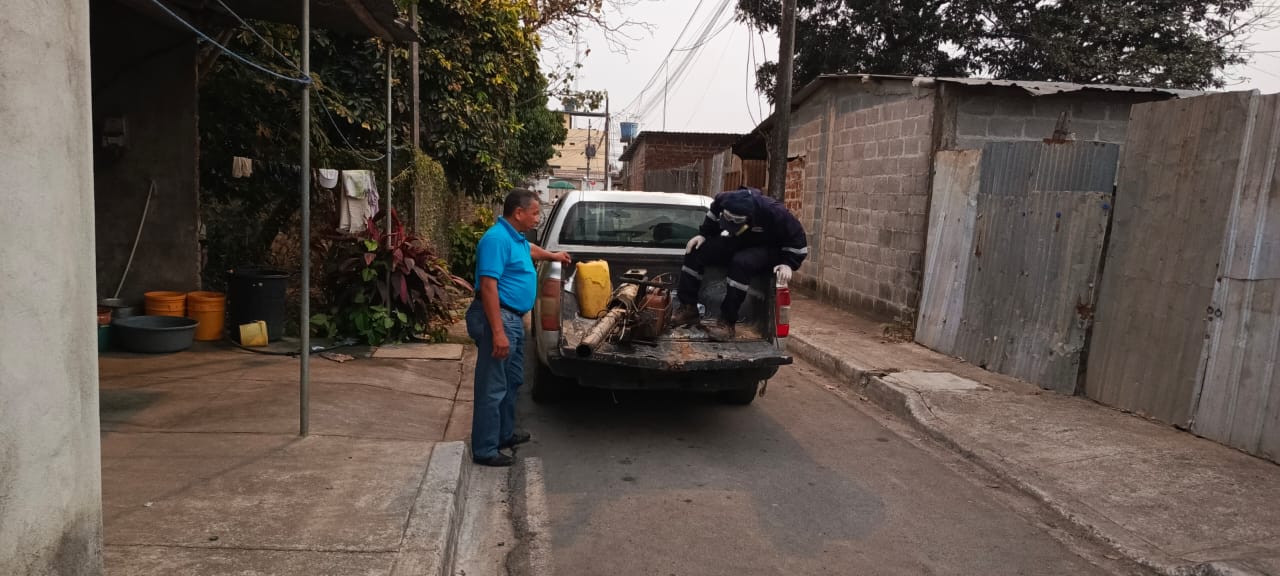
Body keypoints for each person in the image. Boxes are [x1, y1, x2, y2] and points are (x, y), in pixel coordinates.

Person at [467, 189, 571, 467]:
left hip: (512, 319)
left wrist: (553, 256)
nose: (538, 218)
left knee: (512, 380)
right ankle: (485, 449)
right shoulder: (496, 240)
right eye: (535, 213)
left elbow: (529, 250)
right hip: (498, 318)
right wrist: (498, 332)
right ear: (518, 213)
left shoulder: (515, 238)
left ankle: (504, 434)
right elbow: (488, 287)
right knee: (492, 386)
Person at [671, 187, 808, 341]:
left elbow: (798, 240)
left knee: (742, 262)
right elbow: (713, 214)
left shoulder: (774, 212)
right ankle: (688, 309)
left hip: (767, 247)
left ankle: (727, 322)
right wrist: (703, 234)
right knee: (696, 251)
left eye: (735, 222)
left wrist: (788, 263)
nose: (730, 224)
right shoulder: (723, 199)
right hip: (739, 239)